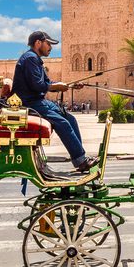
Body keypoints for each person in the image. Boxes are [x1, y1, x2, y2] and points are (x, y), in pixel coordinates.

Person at [13, 31, 97, 172]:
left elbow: (46, 83)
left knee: (70, 119)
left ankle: (80, 158)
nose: (51, 48)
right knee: (62, 123)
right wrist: (57, 86)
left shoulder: (35, 59)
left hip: (39, 101)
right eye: (49, 44)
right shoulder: (30, 59)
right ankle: (81, 161)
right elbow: (38, 86)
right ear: (38, 43)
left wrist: (69, 86)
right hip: (30, 103)